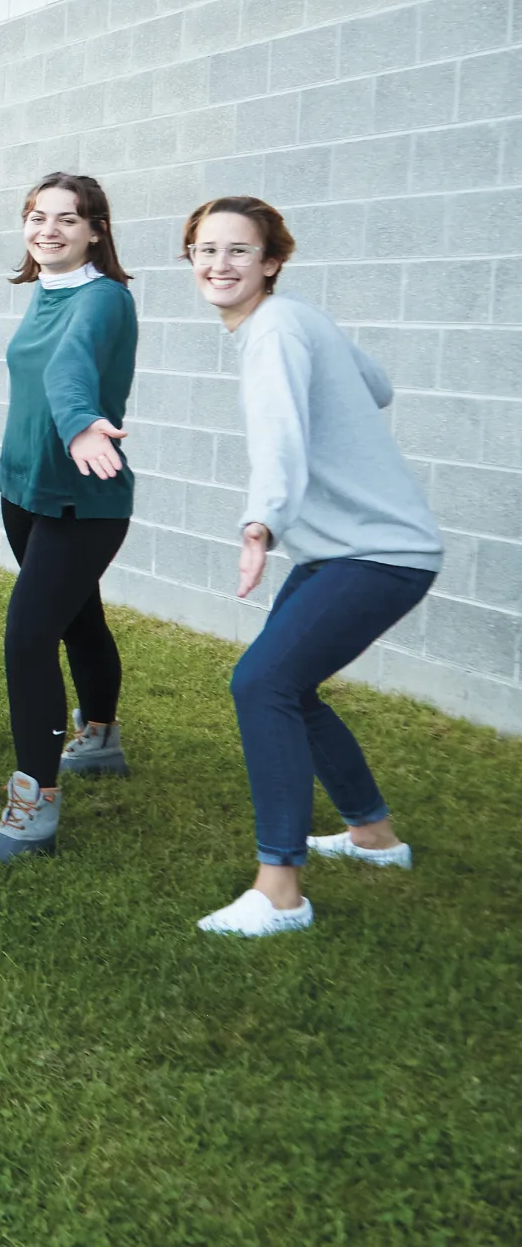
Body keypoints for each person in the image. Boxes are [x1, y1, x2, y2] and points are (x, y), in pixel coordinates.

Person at [183, 197, 438, 936]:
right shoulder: (294, 320)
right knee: (288, 683)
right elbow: (378, 385)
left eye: (238, 251)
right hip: (351, 547)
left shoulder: (273, 333)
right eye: (205, 249)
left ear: (270, 260)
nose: (219, 264)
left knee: (263, 681)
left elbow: (280, 441)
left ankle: (280, 890)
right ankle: (373, 835)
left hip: (379, 552)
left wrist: (260, 520)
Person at [0, 172, 139, 865]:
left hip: (83, 499)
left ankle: (33, 806)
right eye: (38, 216)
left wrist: (79, 427)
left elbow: (70, 369)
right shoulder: (46, 288)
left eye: (68, 219)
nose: (49, 229)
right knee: (78, 619)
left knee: (27, 636)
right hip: (24, 491)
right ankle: (99, 737)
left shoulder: (104, 300)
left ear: (96, 229)